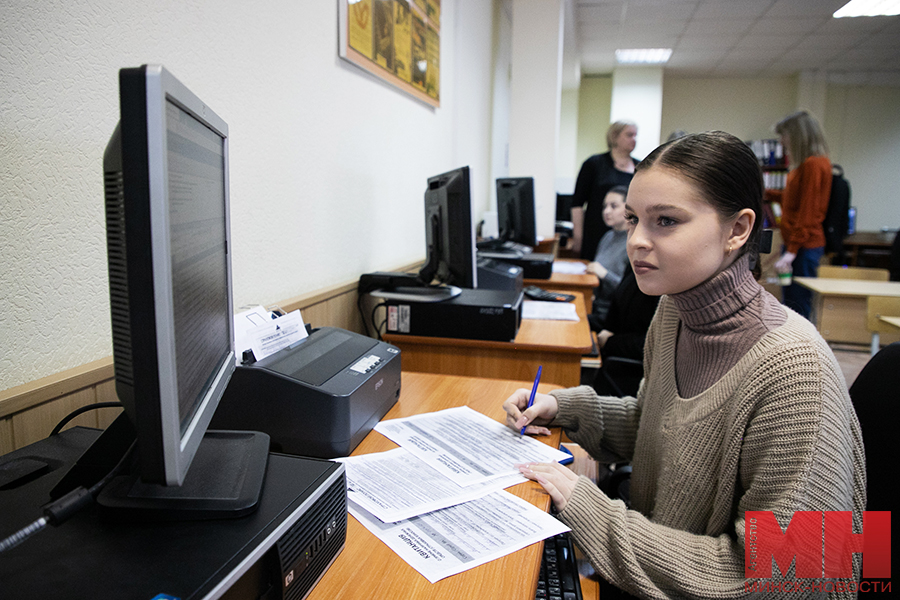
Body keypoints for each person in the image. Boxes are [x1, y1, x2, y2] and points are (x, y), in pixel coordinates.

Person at [503, 131, 865, 599]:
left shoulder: (796, 372)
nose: (636, 241)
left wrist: (589, 509)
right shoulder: (675, 310)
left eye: (666, 221)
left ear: (737, 230)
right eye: (634, 219)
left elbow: (784, 579)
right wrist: (563, 408)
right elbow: (661, 427)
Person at [769, 110, 832, 319]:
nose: (782, 141)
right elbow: (792, 200)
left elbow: (808, 212)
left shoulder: (813, 165)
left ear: (797, 135)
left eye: (784, 135)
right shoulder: (804, 165)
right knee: (791, 299)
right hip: (796, 245)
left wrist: (791, 251)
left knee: (798, 303)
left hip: (804, 246)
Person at [570, 121, 638, 261]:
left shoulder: (640, 167)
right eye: (629, 135)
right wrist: (578, 237)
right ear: (614, 136)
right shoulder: (594, 164)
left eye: (636, 136)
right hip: (595, 233)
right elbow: (577, 204)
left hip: (626, 236)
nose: (634, 140)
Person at [586, 186, 631, 324]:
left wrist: (605, 274)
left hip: (611, 314)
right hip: (595, 305)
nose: (606, 211)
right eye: (605, 206)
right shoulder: (608, 236)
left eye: (614, 206)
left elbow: (629, 292)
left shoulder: (632, 243)